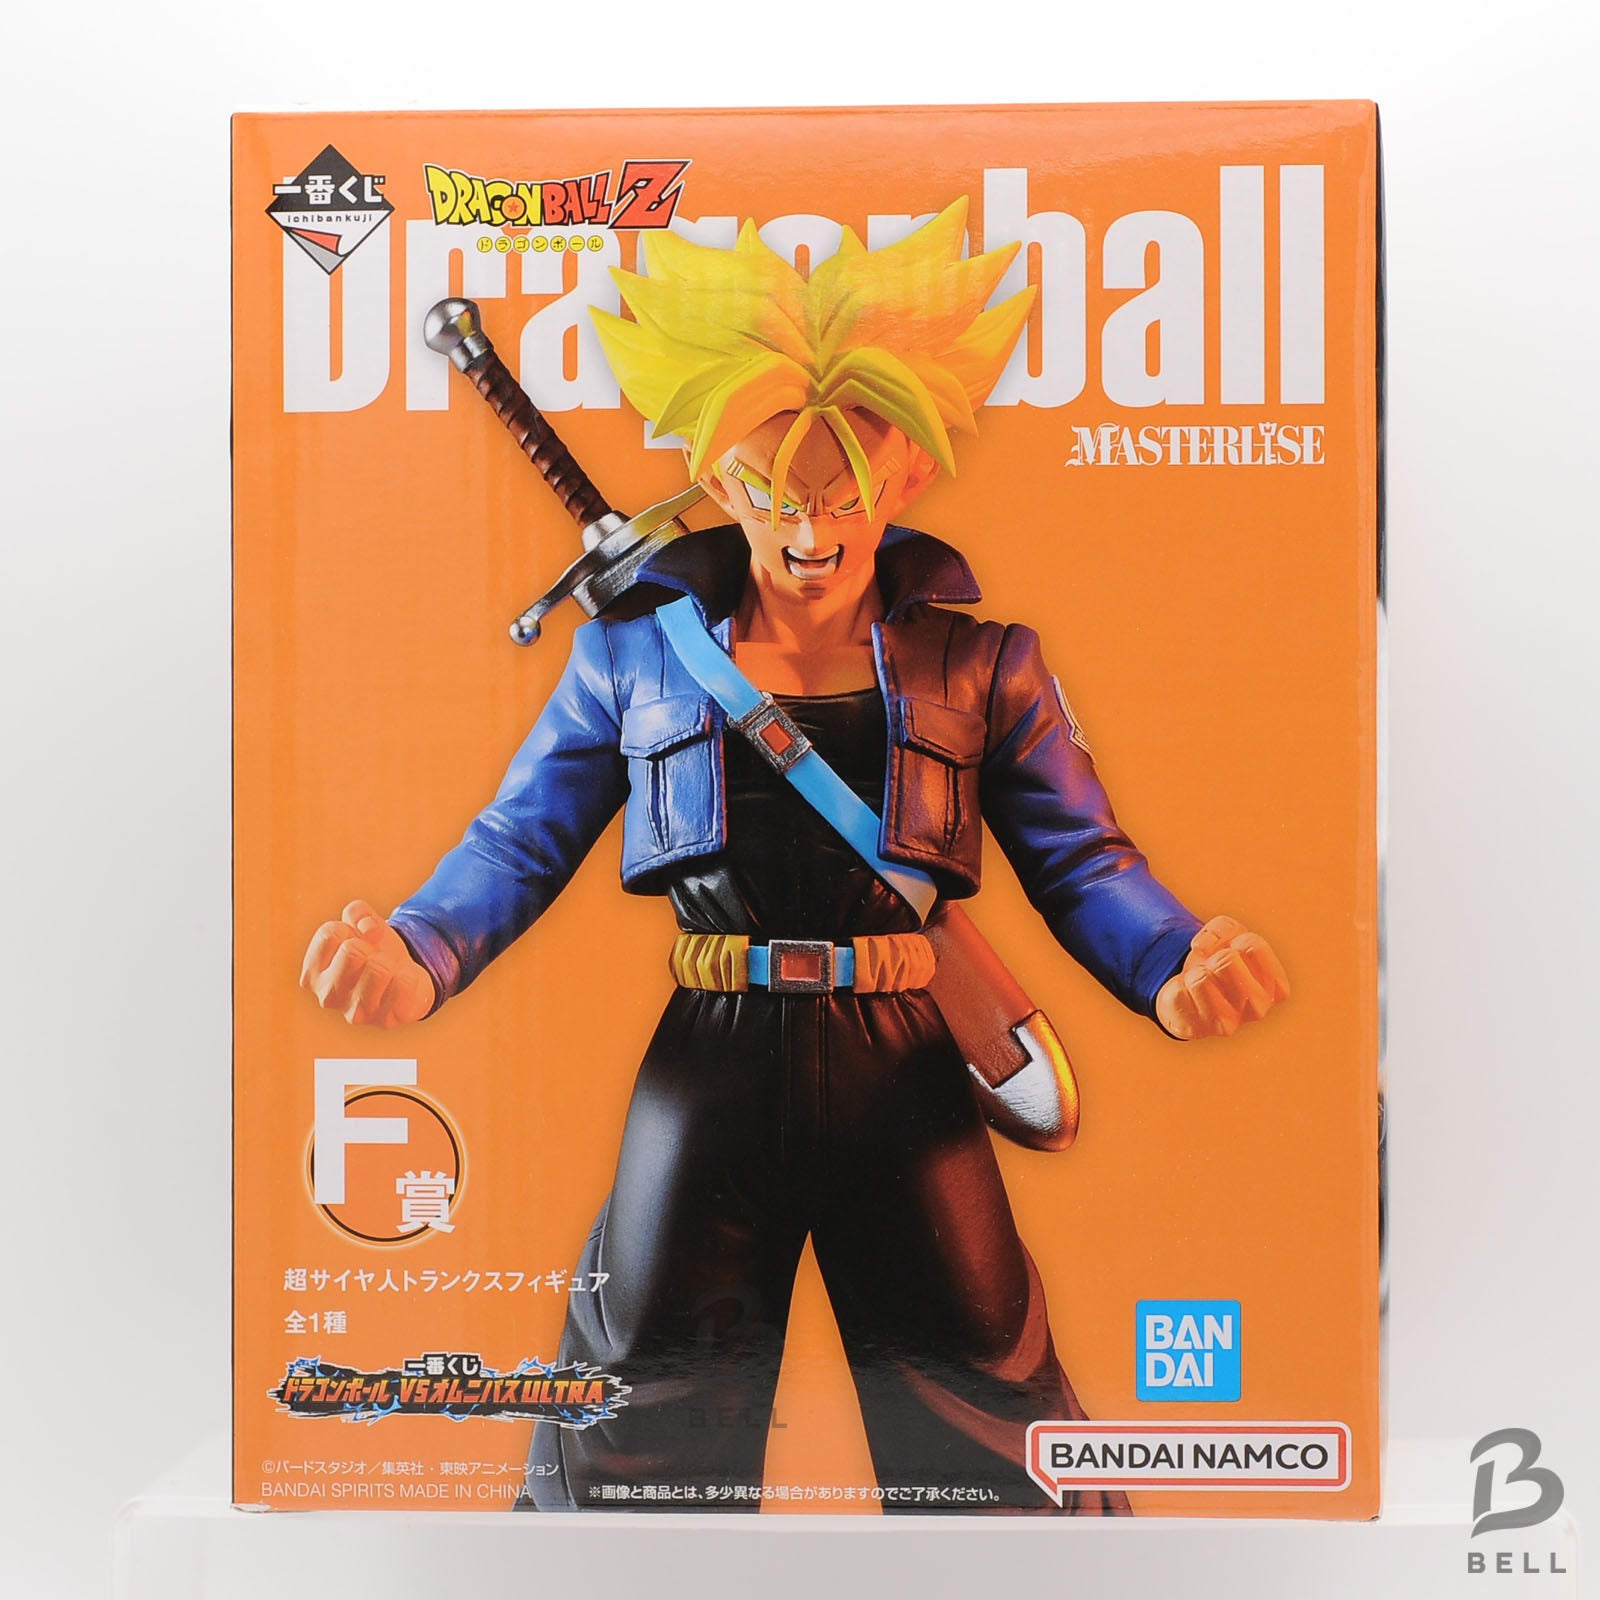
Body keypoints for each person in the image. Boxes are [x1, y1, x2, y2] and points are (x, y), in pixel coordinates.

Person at [300, 201, 1289, 1512]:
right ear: (715, 481)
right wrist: (418, 946)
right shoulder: (632, 658)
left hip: (909, 1064)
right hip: (711, 1059)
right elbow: (520, 836)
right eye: (771, 491)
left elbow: (1083, 859)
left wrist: (1174, 955)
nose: (808, 529)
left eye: (844, 494)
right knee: (636, 1414)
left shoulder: (983, 665)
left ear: (909, 480)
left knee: (991, 1410)